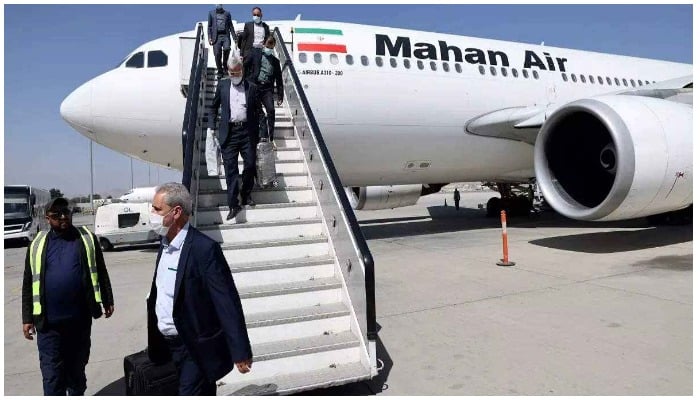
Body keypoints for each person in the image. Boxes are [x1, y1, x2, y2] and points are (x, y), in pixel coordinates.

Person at [146, 183, 253, 395]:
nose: (152, 214)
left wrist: (240, 349)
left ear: (176, 212)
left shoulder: (204, 249)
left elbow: (226, 300)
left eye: (157, 209)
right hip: (168, 346)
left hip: (193, 346)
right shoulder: (164, 244)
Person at [21, 197, 115, 396]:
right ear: (48, 218)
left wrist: (107, 299)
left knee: (76, 372)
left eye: (67, 212)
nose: (63, 217)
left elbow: (100, 269)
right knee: (52, 375)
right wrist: (27, 318)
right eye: (57, 214)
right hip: (48, 325)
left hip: (79, 322)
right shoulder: (37, 244)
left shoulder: (86, 237)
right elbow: (29, 282)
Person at [208, 56, 258, 221]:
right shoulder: (222, 85)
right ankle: (233, 205)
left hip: (247, 132)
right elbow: (213, 108)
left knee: (250, 165)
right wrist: (211, 126)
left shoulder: (251, 87)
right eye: (231, 73)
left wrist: (264, 134)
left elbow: (259, 111)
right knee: (231, 171)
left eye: (237, 73)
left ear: (242, 70)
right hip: (228, 134)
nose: (234, 75)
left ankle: (245, 194)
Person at [245, 36, 283, 144]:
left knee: (271, 110)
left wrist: (280, 96)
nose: (269, 48)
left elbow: (279, 79)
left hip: (267, 89)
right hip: (256, 86)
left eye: (271, 46)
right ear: (264, 44)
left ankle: (270, 136)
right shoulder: (256, 55)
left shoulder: (275, 61)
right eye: (268, 45)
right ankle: (259, 135)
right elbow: (246, 65)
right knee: (258, 112)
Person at [207, 4, 236, 78]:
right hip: (216, 37)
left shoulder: (227, 13)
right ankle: (220, 71)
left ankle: (225, 64)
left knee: (227, 49)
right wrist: (209, 37)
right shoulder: (211, 13)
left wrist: (235, 38)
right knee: (217, 54)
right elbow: (209, 27)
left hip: (225, 35)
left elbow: (231, 26)